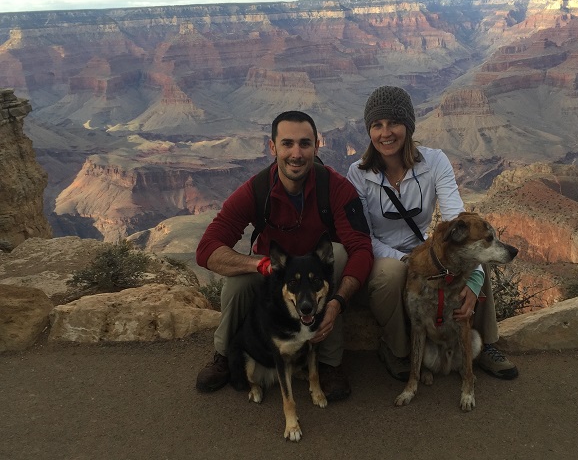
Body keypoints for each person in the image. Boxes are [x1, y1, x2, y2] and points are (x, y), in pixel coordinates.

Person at [195, 110, 374, 401]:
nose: (296, 153)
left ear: (317, 146)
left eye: (305, 144)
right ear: (272, 147)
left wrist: (337, 303)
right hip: (275, 273)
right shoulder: (258, 189)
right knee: (237, 283)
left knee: (339, 254)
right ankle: (226, 355)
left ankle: (329, 363)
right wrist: (258, 264)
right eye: (287, 143)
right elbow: (207, 249)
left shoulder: (336, 188)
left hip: (317, 277)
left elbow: (362, 248)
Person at [346, 85, 518, 382]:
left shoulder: (434, 161)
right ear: (369, 131)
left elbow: (457, 219)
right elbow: (365, 237)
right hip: (383, 255)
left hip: (423, 250)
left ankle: (486, 342)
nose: (385, 133)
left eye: (394, 123)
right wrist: (406, 260)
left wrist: (475, 281)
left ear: (409, 127)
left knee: (475, 249)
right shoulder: (358, 173)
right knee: (391, 275)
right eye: (377, 125)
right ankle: (397, 349)